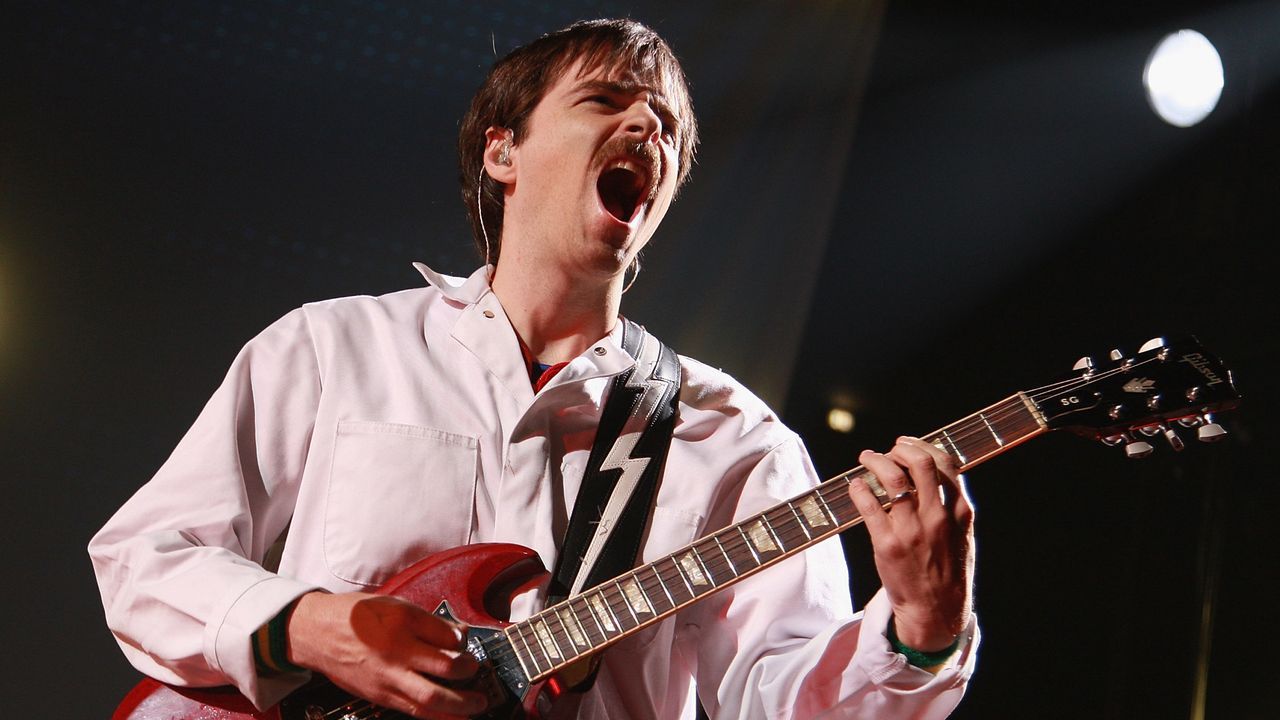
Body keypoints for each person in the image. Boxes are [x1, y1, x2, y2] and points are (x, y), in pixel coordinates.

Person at [90, 18, 977, 720]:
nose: (649, 127)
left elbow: (785, 700)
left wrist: (922, 633)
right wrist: (314, 625)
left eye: (668, 126)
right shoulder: (334, 347)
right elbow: (145, 557)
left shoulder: (736, 438)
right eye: (606, 101)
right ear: (502, 152)